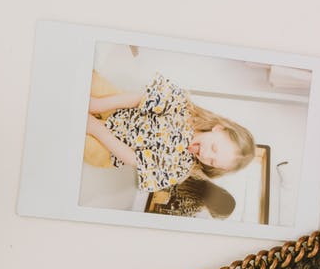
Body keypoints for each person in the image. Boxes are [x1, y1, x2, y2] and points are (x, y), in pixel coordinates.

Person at [86, 73, 256, 191]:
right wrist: (99, 105)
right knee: (90, 82)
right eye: (214, 148)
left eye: (212, 161)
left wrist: (97, 130)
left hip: (110, 149)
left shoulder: (180, 170)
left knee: (80, 139)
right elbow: (138, 100)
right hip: (118, 110)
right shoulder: (183, 108)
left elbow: (133, 158)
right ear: (218, 129)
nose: (205, 155)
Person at [149, 176, 236, 219]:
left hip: (151, 178)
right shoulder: (195, 207)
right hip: (149, 197)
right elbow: (167, 216)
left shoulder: (201, 176)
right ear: (215, 209)